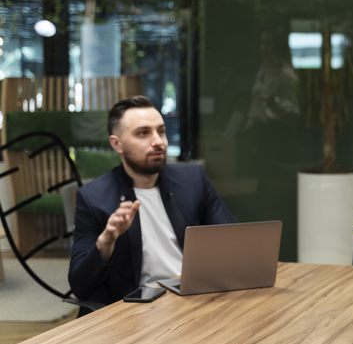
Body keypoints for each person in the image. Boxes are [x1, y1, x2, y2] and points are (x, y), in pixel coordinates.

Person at [69, 95, 233, 314]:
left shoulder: (192, 180)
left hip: (195, 300)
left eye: (161, 131)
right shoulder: (94, 198)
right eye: (143, 133)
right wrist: (105, 242)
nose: (158, 141)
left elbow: (231, 241)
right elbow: (80, 286)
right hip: (136, 312)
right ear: (117, 144)